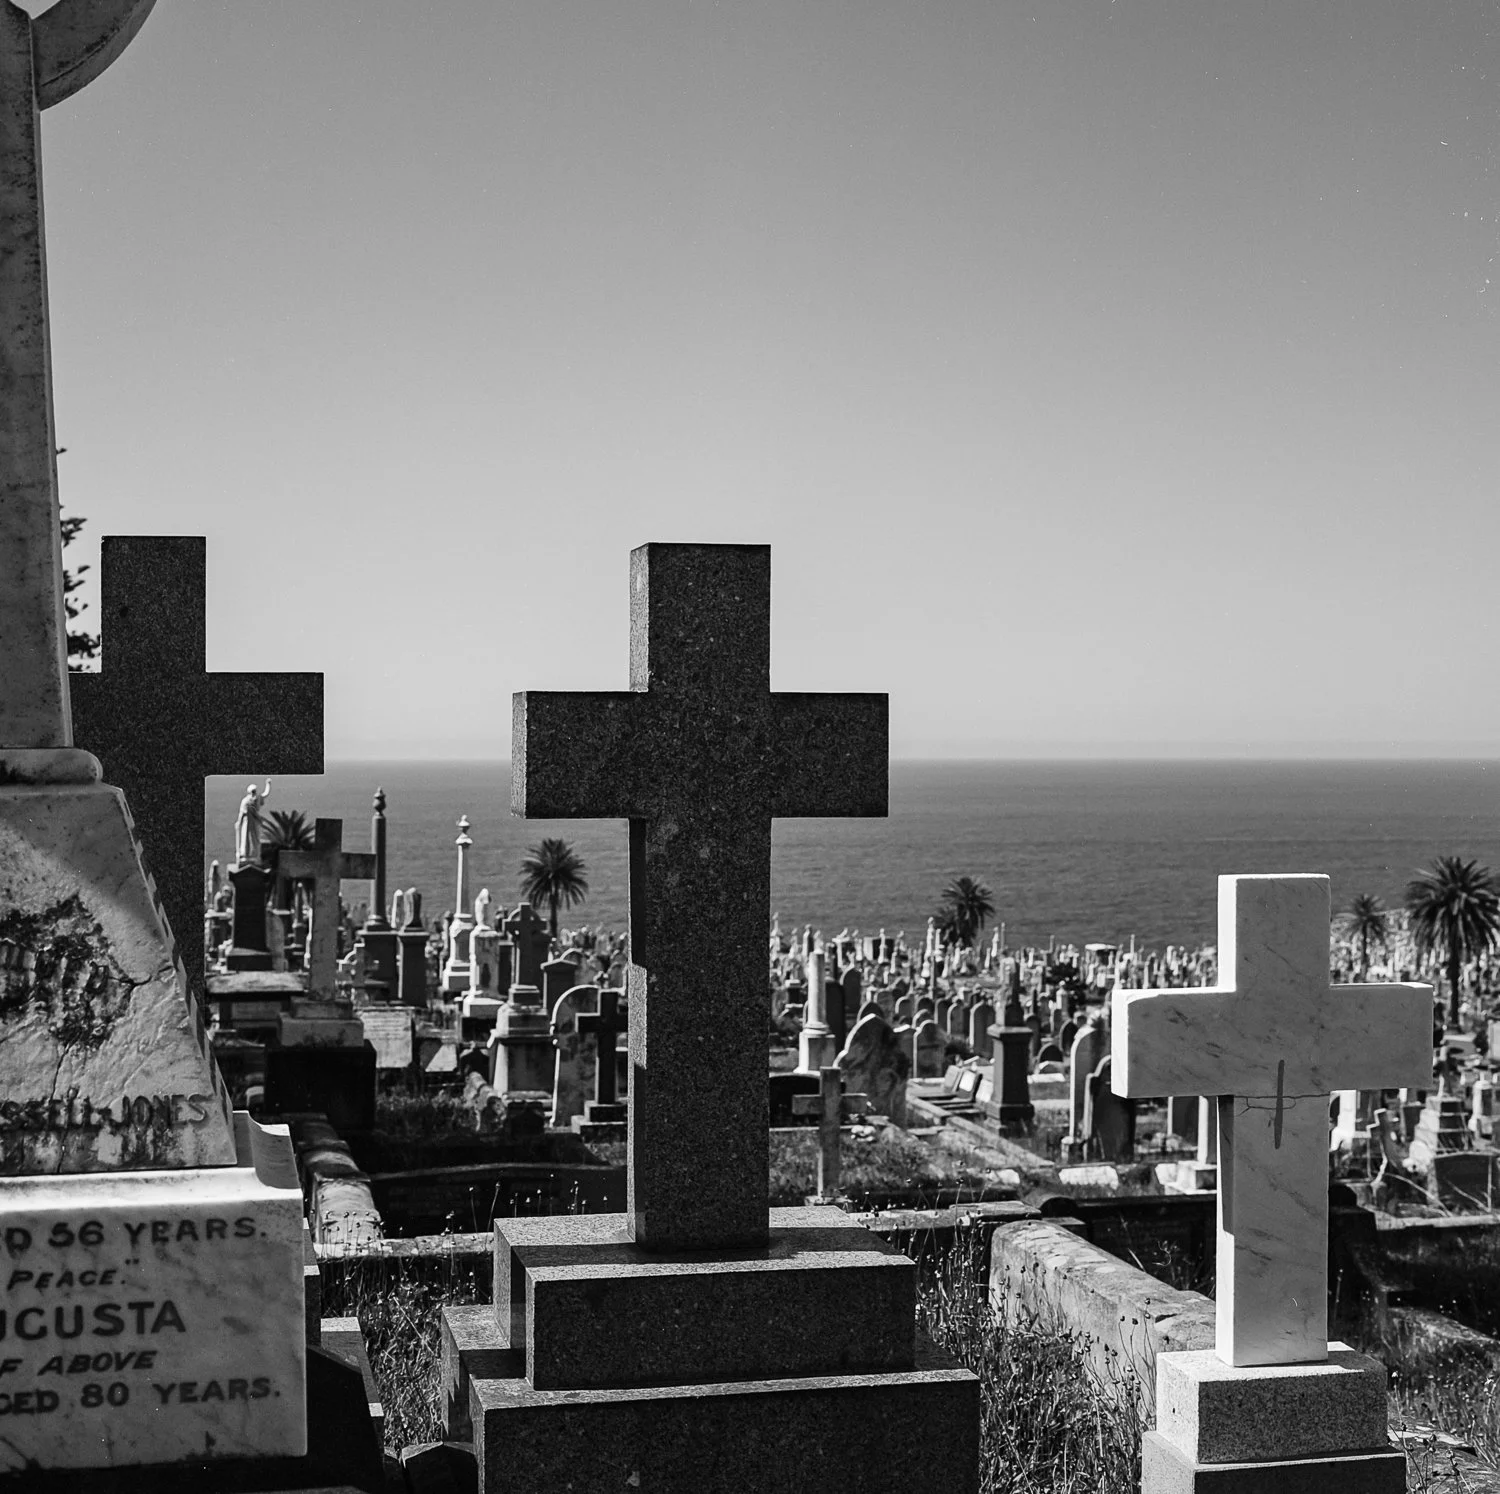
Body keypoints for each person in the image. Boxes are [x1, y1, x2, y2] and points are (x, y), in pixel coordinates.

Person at [235, 779, 272, 865]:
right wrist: (239, 822)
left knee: (254, 838)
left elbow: (266, 794)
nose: (254, 793)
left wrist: (268, 784)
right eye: (253, 791)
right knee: (247, 838)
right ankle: (246, 855)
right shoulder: (246, 801)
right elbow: (242, 813)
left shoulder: (253, 799)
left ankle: (253, 855)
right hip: (247, 823)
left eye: (254, 791)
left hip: (253, 823)